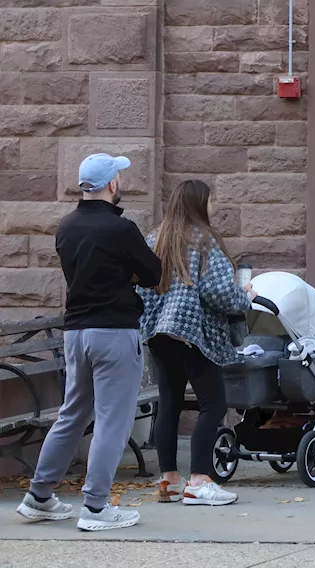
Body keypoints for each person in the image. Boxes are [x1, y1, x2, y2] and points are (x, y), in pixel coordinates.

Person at [16, 153, 162, 532]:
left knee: (72, 414)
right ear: (112, 184)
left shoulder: (66, 227)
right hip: (114, 331)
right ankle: (96, 507)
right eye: (119, 177)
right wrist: (128, 274)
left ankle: (39, 496)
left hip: (76, 333)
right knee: (113, 421)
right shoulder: (122, 229)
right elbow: (153, 273)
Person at [141, 179, 252, 507]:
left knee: (170, 404)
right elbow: (217, 292)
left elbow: (140, 287)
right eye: (211, 200)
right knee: (213, 404)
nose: (214, 205)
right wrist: (244, 298)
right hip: (192, 334)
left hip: (159, 333)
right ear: (199, 203)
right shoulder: (205, 240)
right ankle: (200, 481)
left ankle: (169, 480)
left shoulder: (154, 237)